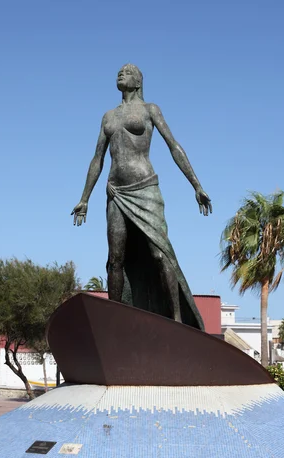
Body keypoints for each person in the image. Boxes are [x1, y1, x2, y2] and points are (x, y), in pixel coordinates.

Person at [72, 64, 212, 330]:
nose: (120, 73)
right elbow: (97, 159)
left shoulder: (150, 110)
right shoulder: (108, 117)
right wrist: (84, 198)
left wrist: (196, 185)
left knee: (160, 254)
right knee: (116, 258)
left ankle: (177, 320)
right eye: (119, 71)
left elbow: (174, 146)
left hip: (146, 188)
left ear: (138, 82)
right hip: (116, 191)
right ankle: (116, 319)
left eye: (128, 71)